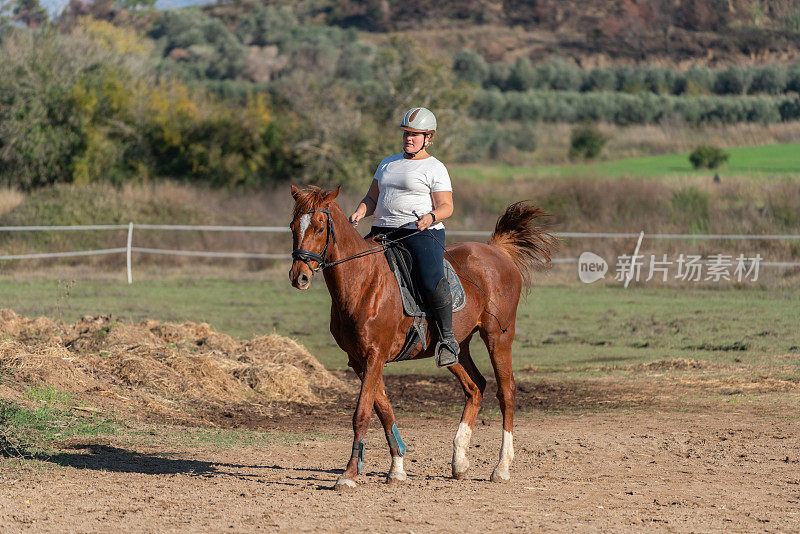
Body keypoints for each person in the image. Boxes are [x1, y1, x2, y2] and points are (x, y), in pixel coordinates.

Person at [349, 107, 459, 367]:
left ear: (428, 137)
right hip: (382, 232)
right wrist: (359, 212)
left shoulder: (435, 167)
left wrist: (431, 217)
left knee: (431, 279)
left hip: (419, 232)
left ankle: (447, 339)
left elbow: (447, 206)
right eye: (406, 134)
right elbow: (372, 198)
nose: (409, 138)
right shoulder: (387, 163)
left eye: (415, 135)